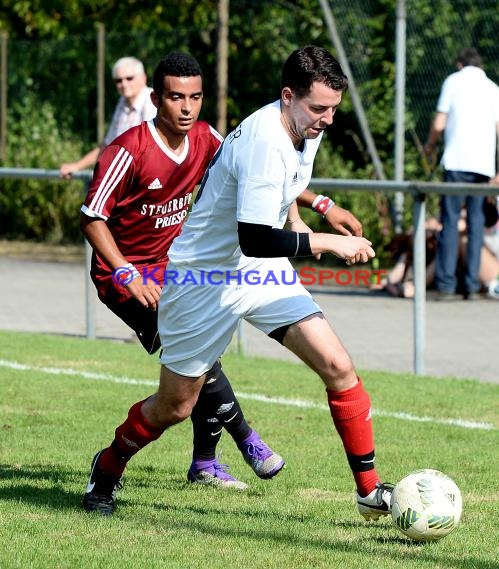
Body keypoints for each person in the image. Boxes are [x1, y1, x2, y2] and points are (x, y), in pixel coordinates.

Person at [83, 45, 392, 520]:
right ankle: (106, 468)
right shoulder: (262, 138)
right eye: (319, 108)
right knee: (174, 407)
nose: (328, 119)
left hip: (255, 271)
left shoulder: (304, 125)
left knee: (338, 365)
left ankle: (369, 494)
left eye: (334, 108)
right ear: (287, 97)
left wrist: (318, 209)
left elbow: (283, 186)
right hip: (201, 281)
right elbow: (253, 237)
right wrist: (325, 243)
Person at [423, 47, 499, 301]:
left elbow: (439, 123)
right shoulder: (492, 88)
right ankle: (470, 286)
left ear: (460, 65)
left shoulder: (453, 81)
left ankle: (445, 284)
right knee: (476, 224)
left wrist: (430, 146)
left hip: (456, 162)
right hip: (483, 167)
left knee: (450, 221)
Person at [60, 57, 157, 178]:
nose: (124, 84)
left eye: (129, 78)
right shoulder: (123, 102)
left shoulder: (151, 100)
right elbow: (108, 146)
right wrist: (77, 166)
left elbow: (151, 147)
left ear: (143, 78)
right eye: (118, 80)